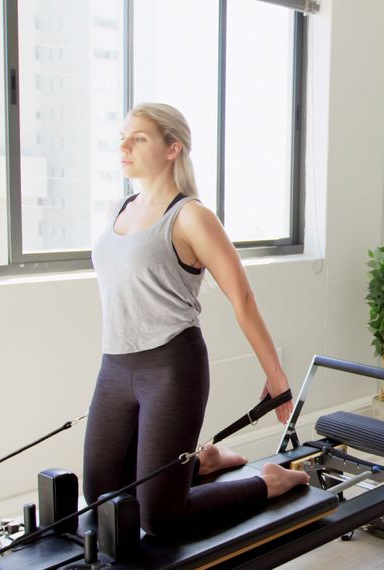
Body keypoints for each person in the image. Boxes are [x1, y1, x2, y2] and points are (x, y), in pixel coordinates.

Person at [84, 102, 309, 536]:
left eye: (139, 138)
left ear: (173, 148)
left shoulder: (191, 216)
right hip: (115, 366)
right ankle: (204, 460)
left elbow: (242, 297)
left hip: (171, 369)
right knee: (100, 503)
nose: (124, 147)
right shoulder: (120, 208)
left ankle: (267, 483)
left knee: (158, 518)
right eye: (122, 138)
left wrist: (276, 377)